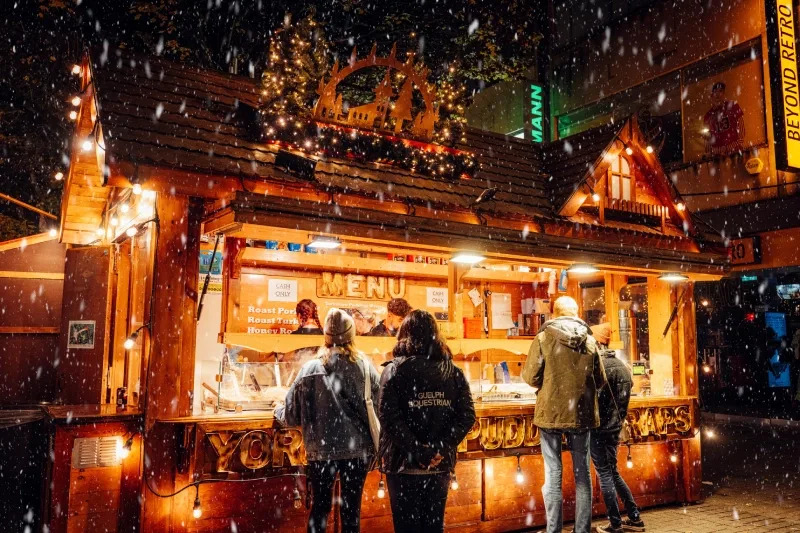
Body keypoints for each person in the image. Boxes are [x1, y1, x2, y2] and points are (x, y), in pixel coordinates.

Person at [275, 308, 380, 533]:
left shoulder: (310, 369)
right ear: (351, 336)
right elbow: (381, 406)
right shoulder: (365, 366)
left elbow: (291, 415)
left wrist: (277, 411)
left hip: (322, 452)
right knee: (351, 511)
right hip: (357, 451)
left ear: (326, 336)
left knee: (320, 508)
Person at [378, 310, 476, 533]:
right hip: (439, 465)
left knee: (406, 527)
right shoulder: (453, 372)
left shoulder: (393, 371)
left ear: (404, 334)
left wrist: (416, 451)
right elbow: (467, 416)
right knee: (433, 526)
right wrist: (438, 449)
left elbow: (388, 418)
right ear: (436, 335)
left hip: (402, 466)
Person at [521, 296, 606, 533]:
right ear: (576, 313)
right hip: (581, 414)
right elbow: (600, 380)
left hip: (551, 413)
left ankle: (553, 530)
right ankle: (582, 530)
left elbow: (530, 377)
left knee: (553, 473)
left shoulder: (544, 337)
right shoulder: (590, 340)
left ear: (554, 314)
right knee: (582, 476)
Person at [591, 349, 645, 533]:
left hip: (599, 429)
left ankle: (615, 524)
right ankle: (634, 516)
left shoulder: (599, 368)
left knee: (605, 474)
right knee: (613, 472)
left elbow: (593, 400)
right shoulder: (623, 367)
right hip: (616, 428)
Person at [703, 81, 745, 156]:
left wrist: (732, 147)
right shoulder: (708, 116)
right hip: (717, 158)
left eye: (720, 91)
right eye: (715, 92)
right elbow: (707, 140)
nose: (718, 95)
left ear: (724, 94)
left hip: (735, 154)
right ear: (711, 95)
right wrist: (714, 152)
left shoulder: (733, 106)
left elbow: (741, 129)